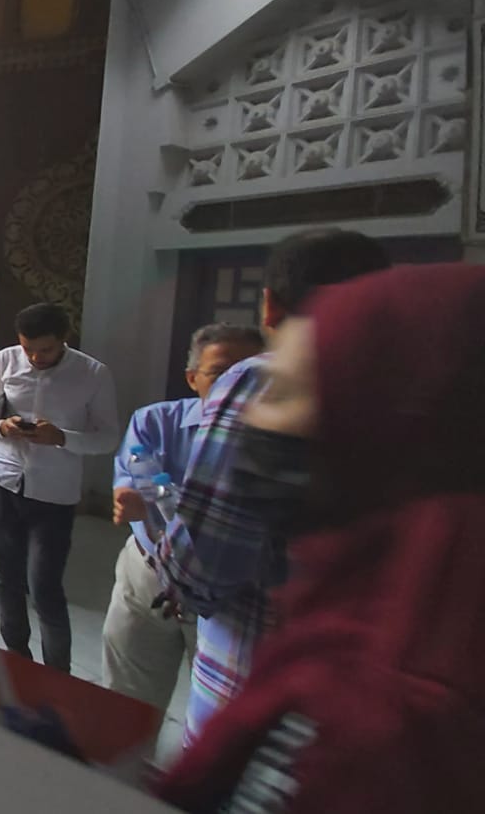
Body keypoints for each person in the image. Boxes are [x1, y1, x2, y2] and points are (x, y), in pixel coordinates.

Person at [156, 263, 485, 814]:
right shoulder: (364, 607)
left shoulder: (393, 716)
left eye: (285, 392)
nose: (255, 418)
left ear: (386, 420)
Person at [161, 228, 389, 746]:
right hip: (371, 706)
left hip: (262, 692)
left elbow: (206, 558)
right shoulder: (424, 385)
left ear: (269, 307)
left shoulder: (261, 380)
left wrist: (175, 574)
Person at [101, 323, 263, 715]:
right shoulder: (155, 421)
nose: (236, 386)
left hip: (227, 592)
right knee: (126, 702)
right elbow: (131, 484)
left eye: (249, 373)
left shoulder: (276, 441)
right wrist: (134, 500)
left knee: (220, 710)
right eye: (221, 373)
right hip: (148, 573)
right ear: (192, 378)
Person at [0, 303, 119, 672]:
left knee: (44, 587)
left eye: (45, 349)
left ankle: (58, 676)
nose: (35, 357)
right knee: (5, 579)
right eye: (28, 349)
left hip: (54, 493)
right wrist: (2, 427)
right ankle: (18, 664)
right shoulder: (5, 360)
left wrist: (62, 437)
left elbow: (107, 438)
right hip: (2, 479)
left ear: (64, 339)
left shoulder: (92, 373)